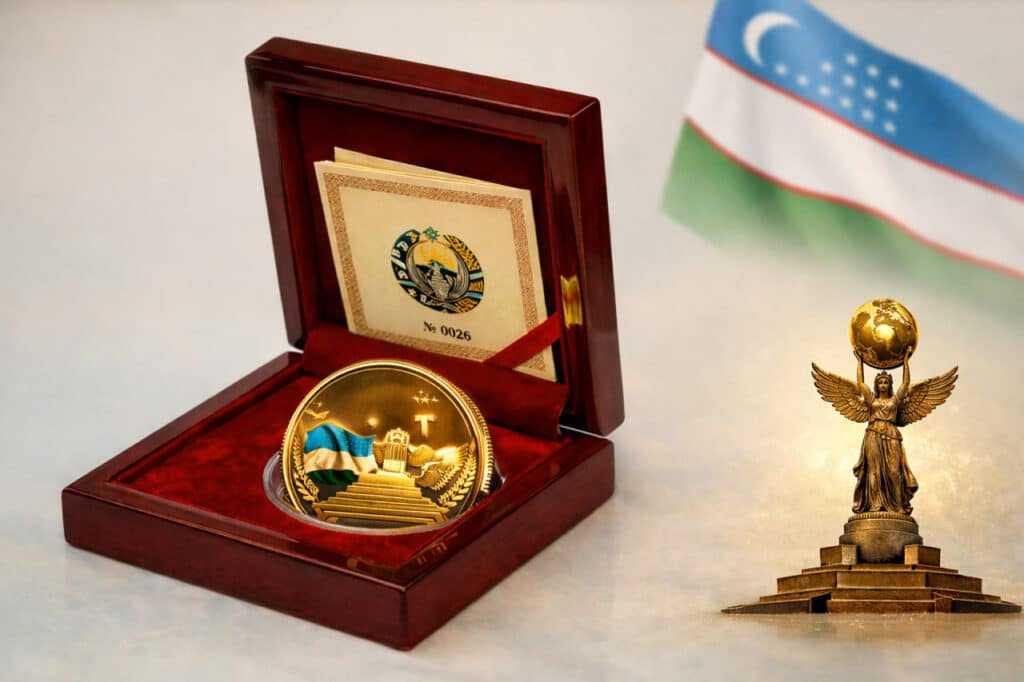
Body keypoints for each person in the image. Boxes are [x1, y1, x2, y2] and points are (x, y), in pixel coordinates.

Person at [852, 347, 917, 515]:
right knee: (874, 471)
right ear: (877, 385)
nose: (883, 385)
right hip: (873, 434)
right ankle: (875, 504)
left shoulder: (895, 399)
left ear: (889, 385)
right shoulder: (871, 399)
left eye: (886, 382)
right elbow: (860, 384)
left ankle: (898, 506)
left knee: (894, 472)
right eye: (880, 382)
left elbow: (906, 384)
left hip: (892, 435)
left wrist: (905, 361)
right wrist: (859, 362)